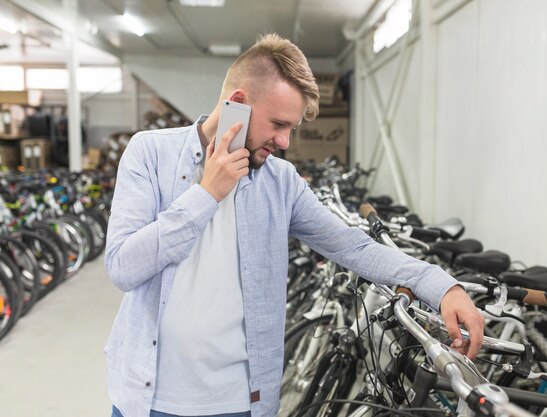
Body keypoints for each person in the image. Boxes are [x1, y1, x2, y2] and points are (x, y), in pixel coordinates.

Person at [104, 33, 484, 417]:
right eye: (278, 124)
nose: (284, 142)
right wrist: (207, 194)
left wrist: (439, 285)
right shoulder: (150, 153)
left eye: (292, 128)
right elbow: (123, 267)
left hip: (239, 403)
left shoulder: (279, 182)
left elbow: (351, 245)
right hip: (148, 398)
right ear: (237, 104)